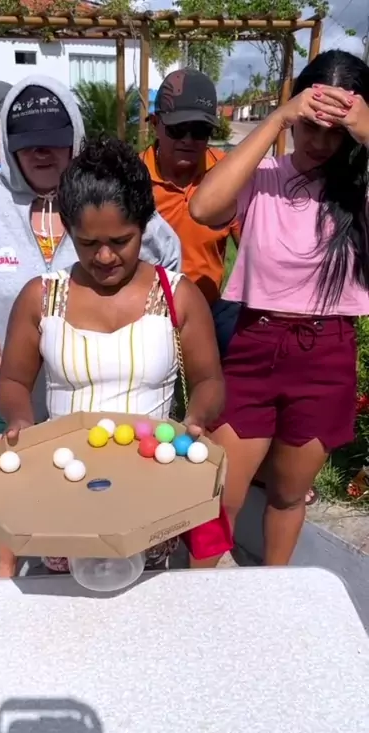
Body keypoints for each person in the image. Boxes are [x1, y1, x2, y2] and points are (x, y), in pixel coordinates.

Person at [0, 74, 182, 578]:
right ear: (9, 143)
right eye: (29, 143)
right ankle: (7, 565)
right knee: (19, 484)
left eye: (55, 140)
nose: (43, 153)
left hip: (95, 392)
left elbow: (165, 256)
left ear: (74, 136)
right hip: (13, 388)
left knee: (95, 495)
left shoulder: (104, 197)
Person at [0, 136, 224, 574]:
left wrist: (198, 417)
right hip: (67, 483)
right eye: (87, 243)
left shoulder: (177, 296)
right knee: (69, 596)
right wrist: (20, 418)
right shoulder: (42, 298)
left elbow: (209, 379)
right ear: (68, 229)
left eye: (120, 240)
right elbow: (13, 381)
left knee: (144, 589)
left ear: (145, 225)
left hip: (150, 485)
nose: (103, 256)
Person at [189, 49, 369, 567]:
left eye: (336, 132)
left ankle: (275, 591)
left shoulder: (358, 192)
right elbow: (203, 207)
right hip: (255, 344)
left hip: (327, 354)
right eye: (311, 126)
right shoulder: (263, 175)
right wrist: (277, 119)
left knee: (289, 495)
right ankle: (191, 596)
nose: (320, 143)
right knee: (217, 495)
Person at [141, 68, 240, 358]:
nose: (187, 139)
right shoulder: (132, 179)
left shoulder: (226, 176)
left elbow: (256, 252)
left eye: (199, 131)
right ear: (156, 124)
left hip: (209, 312)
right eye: (176, 129)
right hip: (144, 316)